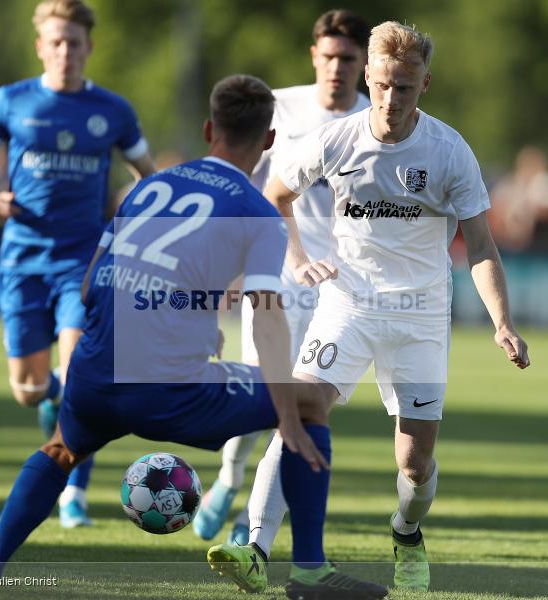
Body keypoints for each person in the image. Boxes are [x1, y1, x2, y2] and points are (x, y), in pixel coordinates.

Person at [0, 74, 388, 600]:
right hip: (175, 391)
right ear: (269, 140)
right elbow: (268, 315)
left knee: (61, 449)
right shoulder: (257, 212)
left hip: (95, 372)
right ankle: (310, 573)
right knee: (313, 401)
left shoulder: (151, 186)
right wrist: (288, 418)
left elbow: (92, 281)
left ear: (208, 129)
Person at [250, 21, 530, 592]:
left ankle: (405, 531)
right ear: (368, 79)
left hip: (420, 315)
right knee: (300, 412)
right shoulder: (338, 139)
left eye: (404, 87)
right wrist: (299, 258)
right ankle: (253, 546)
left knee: (414, 464)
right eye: (381, 85)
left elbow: (479, 245)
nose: (390, 99)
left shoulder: (450, 151)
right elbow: (274, 197)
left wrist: (502, 323)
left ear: (425, 83)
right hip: (347, 304)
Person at [0, 0, 156, 528]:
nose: (66, 51)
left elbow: (148, 175)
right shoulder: (10, 101)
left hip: (82, 263)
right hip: (21, 263)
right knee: (28, 390)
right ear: (41, 46)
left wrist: (131, 223)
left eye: (75, 42)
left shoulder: (112, 110)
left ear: (89, 47)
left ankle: (72, 494)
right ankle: (48, 406)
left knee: (79, 376)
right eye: (57, 42)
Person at [193, 8, 371, 548]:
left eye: (347, 58)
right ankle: (228, 477)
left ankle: (256, 532)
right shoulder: (280, 107)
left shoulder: (377, 122)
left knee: (292, 406)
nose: (336, 67)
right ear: (313, 56)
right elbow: (241, 184)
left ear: (363, 64)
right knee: (257, 398)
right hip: (274, 272)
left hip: (338, 291)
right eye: (328, 56)